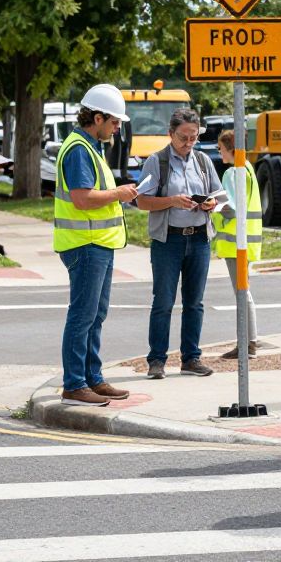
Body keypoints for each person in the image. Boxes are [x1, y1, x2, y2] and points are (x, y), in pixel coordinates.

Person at [54, 85, 139, 406]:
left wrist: (118, 192)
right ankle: (75, 385)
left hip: (96, 244)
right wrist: (120, 193)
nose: (117, 128)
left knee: (95, 315)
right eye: (114, 122)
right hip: (85, 244)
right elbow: (82, 198)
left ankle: (92, 378)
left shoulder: (90, 147)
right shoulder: (79, 150)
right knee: (83, 316)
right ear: (98, 118)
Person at [136, 108, 222, 380]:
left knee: (194, 302)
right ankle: (156, 360)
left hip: (199, 238)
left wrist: (211, 203)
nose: (188, 143)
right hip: (168, 240)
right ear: (170, 134)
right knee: (163, 301)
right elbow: (141, 201)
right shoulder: (157, 161)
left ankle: (191, 358)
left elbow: (219, 195)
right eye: (183, 137)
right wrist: (172, 201)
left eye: (193, 137)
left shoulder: (203, 161)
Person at [212, 129, 262, 359]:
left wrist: (212, 208)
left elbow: (230, 208)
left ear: (231, 148)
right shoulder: (248, 168)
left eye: (220, 148)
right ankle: (249, 342)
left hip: (235, 243)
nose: (219, 152)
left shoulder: (232, 173)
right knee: (244, 290)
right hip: (248, 240)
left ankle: (248, 343)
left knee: (242, 292)